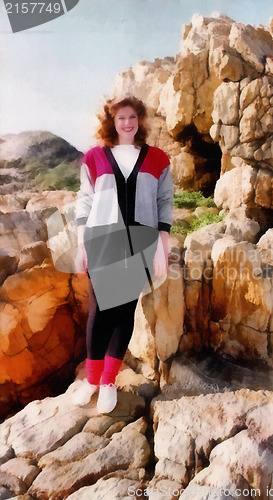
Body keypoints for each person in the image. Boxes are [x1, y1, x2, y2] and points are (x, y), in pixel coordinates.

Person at [71, 95, 174, 413]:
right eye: (120, 118)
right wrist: (80, 242)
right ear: (112, 122)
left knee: (123, 313)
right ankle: (91, 380)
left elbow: (164, 202)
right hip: (102, 241)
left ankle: (108, 383)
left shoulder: (158, 159)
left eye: (132, 117)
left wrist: (162, 246)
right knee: (99, 313)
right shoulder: (94, 157)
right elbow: (84, 201)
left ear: (139, 120)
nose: (127, 123)